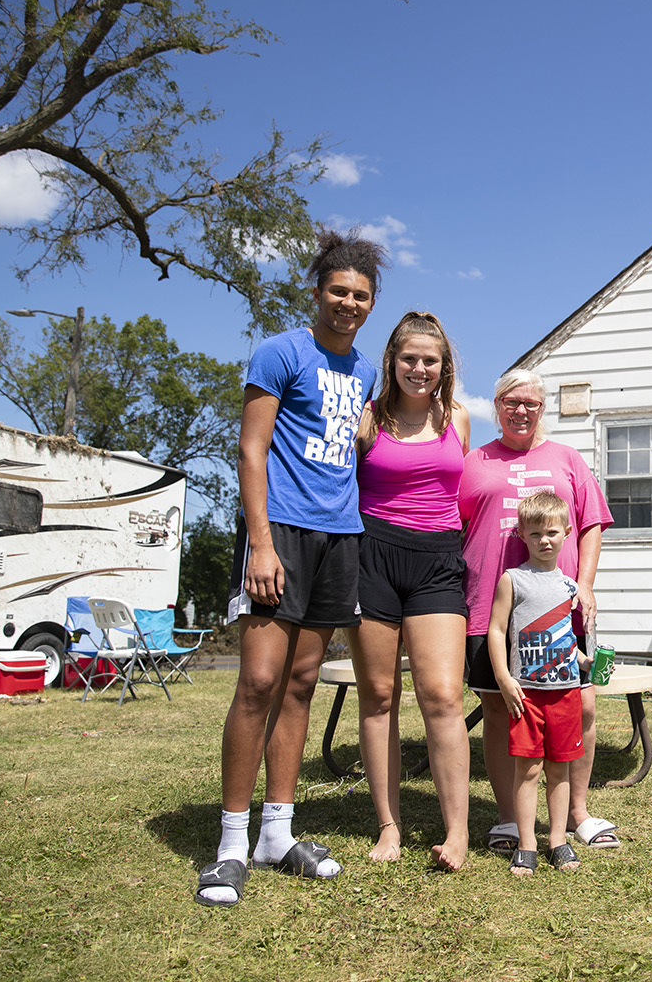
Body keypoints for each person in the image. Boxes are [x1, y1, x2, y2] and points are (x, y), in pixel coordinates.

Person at [195, 228, 387, 908]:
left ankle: (278, 832)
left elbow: (347, 448)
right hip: (280, 532)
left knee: (303, 682)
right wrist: (262, 543)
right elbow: (251, 451)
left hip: (340, 537)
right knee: (258, 682)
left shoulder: (365, 371)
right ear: (317, 291)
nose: (348, 303)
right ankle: (229, 845)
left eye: (361, 296)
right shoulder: (280, 352)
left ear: (371, 303)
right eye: (338, 291)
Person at [459, 369, 618, 854]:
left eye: (530, 402)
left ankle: (578, 813)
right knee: (498, 707)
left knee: (582, 705)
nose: (520, 410)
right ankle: (508, 818)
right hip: (492, 607)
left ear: (542, 407)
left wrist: (585, 586)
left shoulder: (567, 459)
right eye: (510, 401)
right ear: (496, 405)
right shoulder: (474, 462)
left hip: (561, 609)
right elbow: (450, 524)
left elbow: (591, 523)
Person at [346, 312, 471, 870]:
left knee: (442, 696)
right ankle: (389, 827)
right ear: (392, 362)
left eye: (431, 360)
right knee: (378, 697)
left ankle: (458, 831)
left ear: (444, 367)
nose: (419, 368)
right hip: (372, 556)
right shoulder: (366, 419)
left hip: (439, 561)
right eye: (409, 359)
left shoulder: (458, 419)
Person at [487, 492, 586, 874]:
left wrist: (583, 660)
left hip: (565, 694)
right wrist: (503, 676)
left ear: (566, 533)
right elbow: (496, 630)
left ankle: (558, 839)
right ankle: (527, 843)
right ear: (521, 535)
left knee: (559, 770)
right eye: (535, 534)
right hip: (525, 695)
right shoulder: (512, 580)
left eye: (551, 532)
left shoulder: (570, 587)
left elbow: (566, 637)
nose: (544, 540)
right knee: (527, 771)